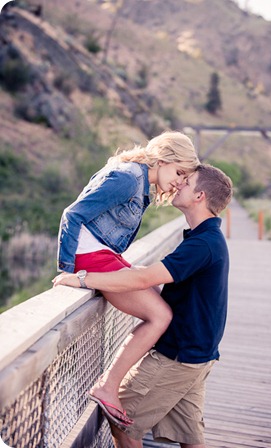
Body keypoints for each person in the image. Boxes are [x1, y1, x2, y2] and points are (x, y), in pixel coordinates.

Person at [53, 163, 233, 447]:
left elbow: (145, 278)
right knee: (190, 438)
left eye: (186, 182)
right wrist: (131, 272)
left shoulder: (203, 244)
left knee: (123, 423)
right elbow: (158, 278)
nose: (178, 185)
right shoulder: (205, 238)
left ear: (199, 196)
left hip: (178, 356)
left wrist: (84, 279)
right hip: (199, 355)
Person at [56, 130, 199, 427]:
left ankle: (144, 385)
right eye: (179, 172)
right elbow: (73, 214)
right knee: (160, 315)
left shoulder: (141, 180)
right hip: (91, 256)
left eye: (185, 178)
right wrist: (69, 270)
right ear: (163, 159)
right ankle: (109, 387)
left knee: (158, 295)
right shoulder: (127, 178)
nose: (179, 182)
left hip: (103, 254)